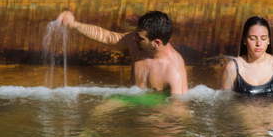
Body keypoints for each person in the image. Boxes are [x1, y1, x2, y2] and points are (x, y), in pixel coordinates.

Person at [56, 10, 188, 95]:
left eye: (140, 38)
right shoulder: (136, 43)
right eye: (136, 34)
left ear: (156, 42)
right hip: (133, 98)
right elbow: (107, 37)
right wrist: (74, 25)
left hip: (156, 110)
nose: (134, 38)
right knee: (98, 114)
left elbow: (177, 111)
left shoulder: (173, 72)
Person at [220, 16, 273, 95]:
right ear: (244, 40)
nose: (258, 44)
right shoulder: (232, 67)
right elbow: (225, 102)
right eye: (253, 38)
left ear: (269, 40)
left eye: (263, 38)